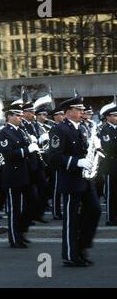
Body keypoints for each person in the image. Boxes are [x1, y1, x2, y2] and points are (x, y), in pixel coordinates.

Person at [48, 95, 101, 267]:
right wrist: (76, 162)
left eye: (81, 109)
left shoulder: (83, 128)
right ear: (69, 111)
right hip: (71, 181)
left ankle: (82, 246)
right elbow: (54, 158)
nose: (82, 112)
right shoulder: (59, 130)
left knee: (94, 211)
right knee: (71, 220)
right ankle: (71, 255)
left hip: (86, 179)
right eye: (78, 109)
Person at [0, 101, 37, 248]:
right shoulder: (4, 132)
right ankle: (14, 238)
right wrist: (28, 150)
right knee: (15, 209)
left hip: (25, 173)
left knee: (32, 203)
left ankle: (21, 231)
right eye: (18, 115)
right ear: (9, 116)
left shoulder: (21, 130)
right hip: (13, 175)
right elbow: (8, 155)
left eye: (21, 115)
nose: (21, 117)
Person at [99, 101, 117, 226]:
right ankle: (110, 218)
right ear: (108, 117)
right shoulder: (105, 130)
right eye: (115, 115)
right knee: (111, 194)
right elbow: (109, 146)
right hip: (110, 165)